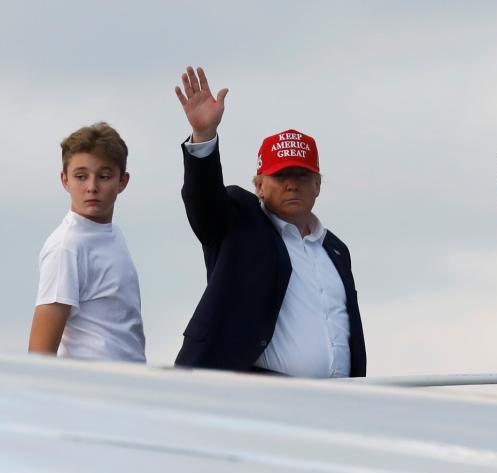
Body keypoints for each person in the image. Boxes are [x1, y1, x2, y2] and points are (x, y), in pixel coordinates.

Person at [173, 66, 365, 377]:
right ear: (259, 185)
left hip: (338, 402)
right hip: (259, 396)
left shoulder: (336, 249)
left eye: (302, 176)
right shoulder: (239, 220)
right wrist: (204, 136)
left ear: (318, 185)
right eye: (281, 176)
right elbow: (203, 201)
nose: (292, 184)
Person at [28, 123, 146, 362]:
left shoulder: (113, 234)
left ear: (122, 181)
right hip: (92, 393)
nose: (92, 187)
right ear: (65, 180)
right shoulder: (66, 246)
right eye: (81, 176)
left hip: (128, 389)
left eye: (103, 176)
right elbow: (40, 355)